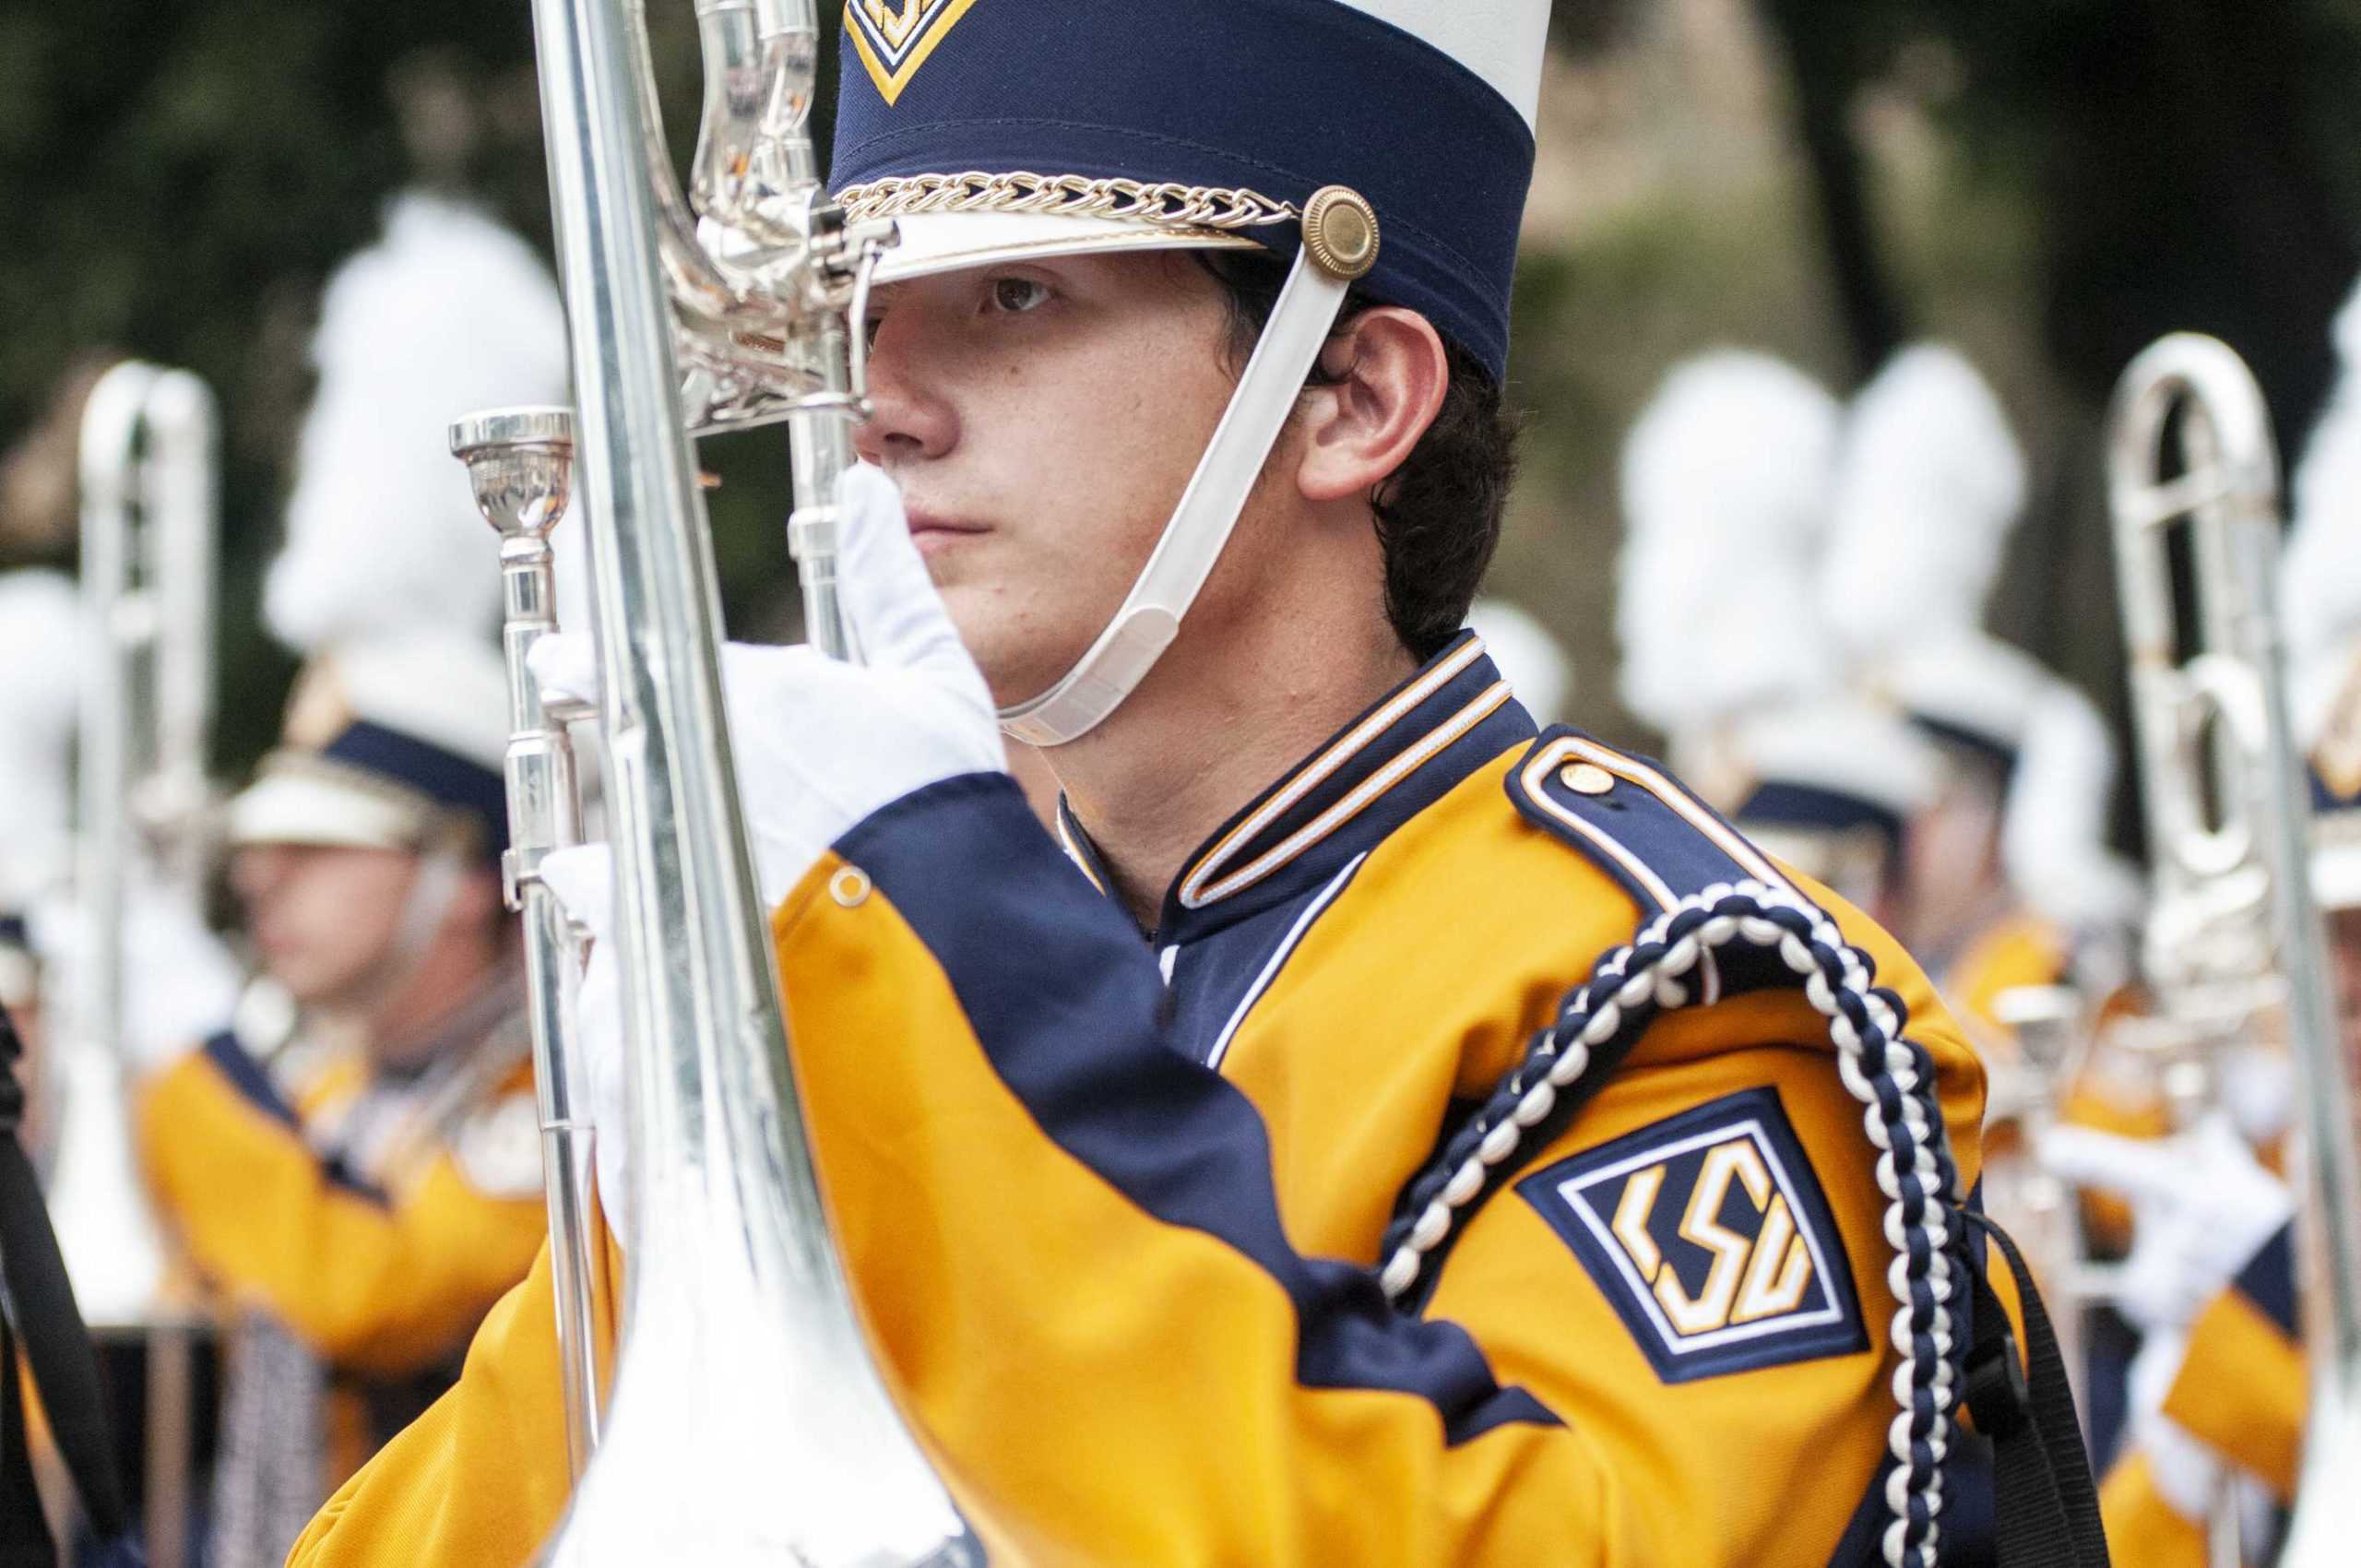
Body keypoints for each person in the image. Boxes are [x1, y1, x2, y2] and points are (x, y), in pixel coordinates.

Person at [293, 6, 2071, 1563]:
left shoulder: (1677, 1001)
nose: (879, 403)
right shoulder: (857, 977)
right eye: (860, 314)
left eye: (1012, 294)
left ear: (1352, 397)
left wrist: (932, 967)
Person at [135, 635, 548, 1564]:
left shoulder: (554, 1104)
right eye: (264, 845)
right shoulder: (327, 1085)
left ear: (468, 877)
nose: (260, 876)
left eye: (320, 843)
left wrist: (195, 1055)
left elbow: (370, 1293)